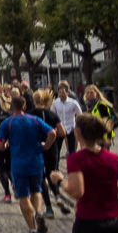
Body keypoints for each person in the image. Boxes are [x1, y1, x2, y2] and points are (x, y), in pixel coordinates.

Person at [0, 94, 56, 233]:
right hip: (36, 161)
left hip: (19, 164)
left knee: (23, 196)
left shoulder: (8, 123)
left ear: (11, 107)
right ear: (24, 107)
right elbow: (52, 132)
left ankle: (32, 229)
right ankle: (39, 212)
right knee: (36, 191)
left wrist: (5, 146)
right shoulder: (35, 120)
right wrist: (46, 145)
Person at [29, 89, 69, 218]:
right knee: (52, 173)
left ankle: (49, 208)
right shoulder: (52, 115)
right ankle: (57, 196)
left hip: (37, 148)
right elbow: (63, 133)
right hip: (52, 148)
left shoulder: (30, 114)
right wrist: (52, 137)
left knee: (40, 178)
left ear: (34, 100)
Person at [51, 82, 82, 155]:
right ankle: (56, 165)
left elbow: (79, 114)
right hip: (60, 128)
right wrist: (55, 126)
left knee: (72, 149)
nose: (61, 94)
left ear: (67, 93)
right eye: (60, 92)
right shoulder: (55, 102)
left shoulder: (73, 102)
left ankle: (72, 165)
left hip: (70, 127)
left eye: (63, 92)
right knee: (57, 149)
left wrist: (76, 126)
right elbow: (52, 114)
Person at [84, 85, 117, 150]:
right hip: (94, 137)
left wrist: (109, 137)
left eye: (91, 93)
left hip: (103, 137)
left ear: (97, 93)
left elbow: (110, 121)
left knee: (103, 158)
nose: (89, 95)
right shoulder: (89, 106)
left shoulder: (101, 105)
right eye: (87, 93)